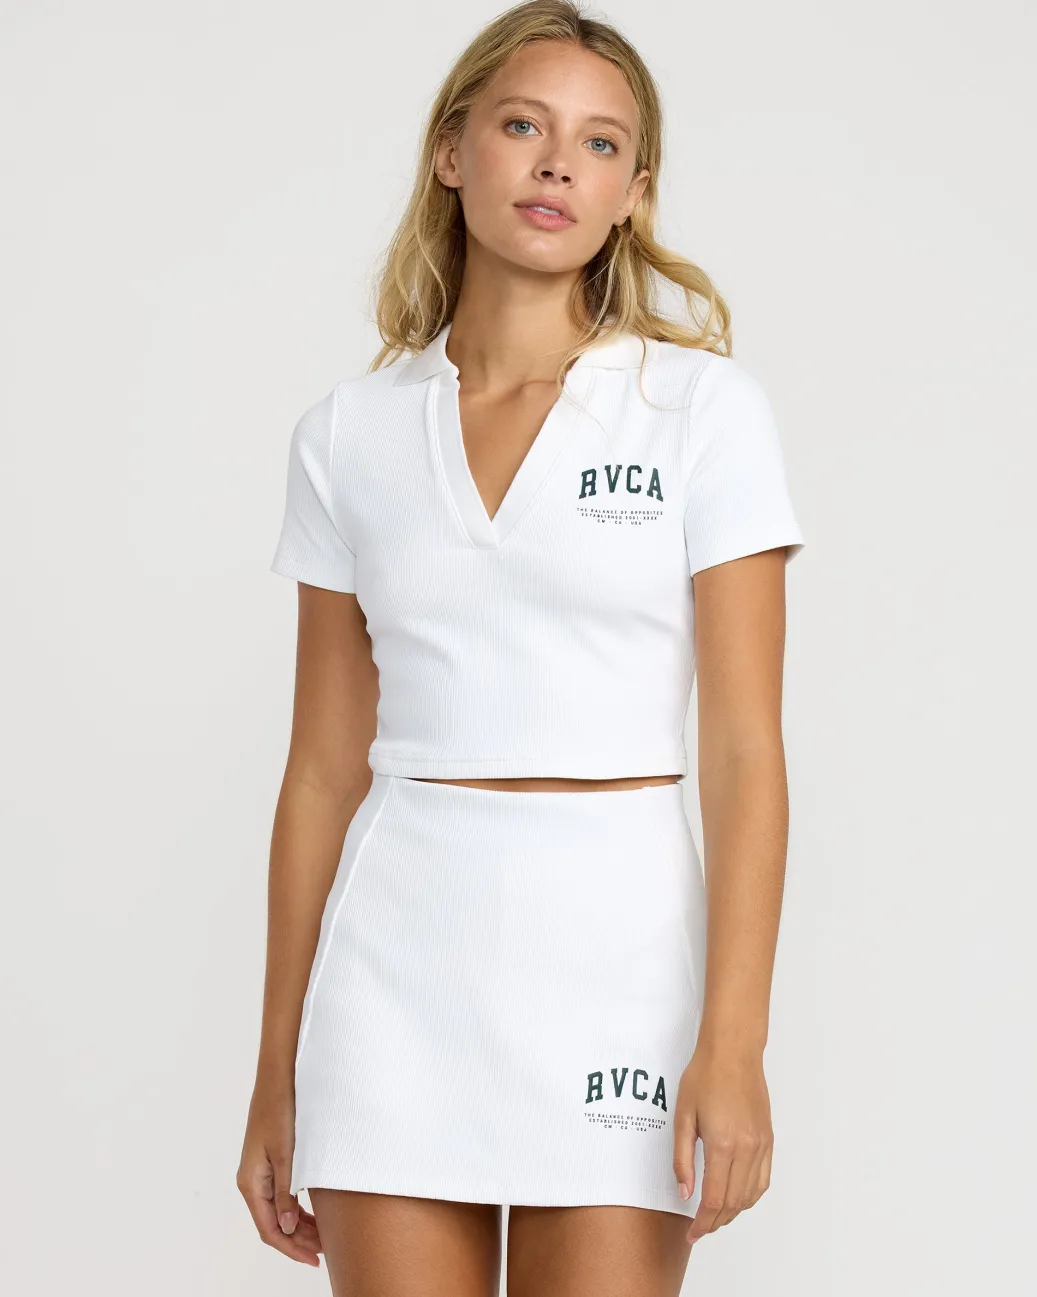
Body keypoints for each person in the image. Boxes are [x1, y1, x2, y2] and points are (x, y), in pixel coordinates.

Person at [236, 2, 805, 1293]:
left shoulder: (698, 412)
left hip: (621, 967)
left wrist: (735, 1041)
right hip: (398, 966)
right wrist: (277, 1069)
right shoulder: (349, 437)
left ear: (633, 193)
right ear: (451, 151)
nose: (558, 164)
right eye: (522, 125)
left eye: (601, 144)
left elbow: (744, 754)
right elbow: (319, 773)